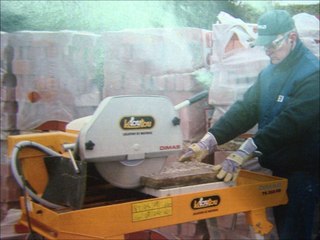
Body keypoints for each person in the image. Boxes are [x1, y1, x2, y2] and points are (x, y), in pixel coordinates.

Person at [179, 10, 319, 240]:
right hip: (282, 168)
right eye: (264, 45)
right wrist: (208, 142)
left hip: (305, 172)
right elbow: (245, 109)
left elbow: (291, 123)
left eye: (272, 44)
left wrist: (244, 152)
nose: (268, 50)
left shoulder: (312, 74)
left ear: (291, 37)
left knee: (295, 234)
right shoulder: (271, 71)